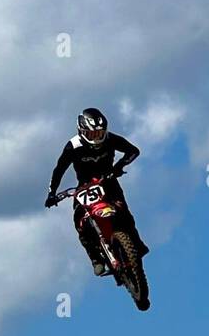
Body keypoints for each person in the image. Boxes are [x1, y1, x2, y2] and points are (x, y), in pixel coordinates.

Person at [45, 108, 147, 275]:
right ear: (82, 131)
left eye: (100, 133)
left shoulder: (110, 138)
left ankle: (136, 243)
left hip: (108, 180)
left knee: (124, 212)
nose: (97, 138)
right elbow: (59, 170)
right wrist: (52, 193)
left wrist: (118, 167)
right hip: (84, 186)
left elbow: (133, 151)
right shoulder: (73, 146)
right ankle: (96, 258)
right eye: (92, 134)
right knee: (80, 221)